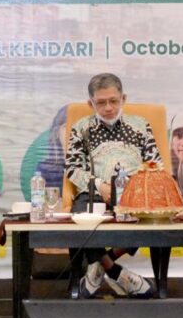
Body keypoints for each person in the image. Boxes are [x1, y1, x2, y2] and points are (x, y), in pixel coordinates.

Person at [65, 72, 161, 299]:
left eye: (113, 101)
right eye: (101, 102)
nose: (108, 108)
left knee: (152, 214)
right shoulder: (81, 128)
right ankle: (116, 271)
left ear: (123, 99)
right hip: (96, 192)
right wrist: (100, 186)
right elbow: (73, 169)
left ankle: (100, 265)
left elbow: (155, 164)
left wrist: (134, 187)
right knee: (81, 214)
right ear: (91, 103)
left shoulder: (140, 125)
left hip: (135, 193)